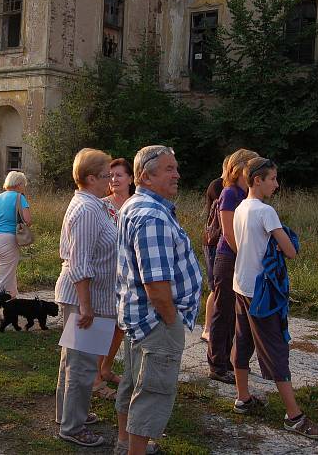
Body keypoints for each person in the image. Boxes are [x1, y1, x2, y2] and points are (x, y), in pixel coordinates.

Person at [230, 157, 318, 440]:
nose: (276, 184)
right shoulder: (265, 211)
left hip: (241, 285)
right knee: (275, 349)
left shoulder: (240, 207)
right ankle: (294, 417)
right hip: (262, 292)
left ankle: (243, 398)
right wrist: (283, 238)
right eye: (272, 179)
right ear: (257, 180)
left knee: (243, 341)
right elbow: (291, 252)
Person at [114, 145, 203, 455]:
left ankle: (125, 444)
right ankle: (134, 450)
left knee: (133, 382)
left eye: (176, 167)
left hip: (138, 316)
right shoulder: (151, 216)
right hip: (156, 320)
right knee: (152, 390)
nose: (177, 174)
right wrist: (171, 319)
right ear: (144, 176)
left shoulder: (136, 204)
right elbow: (156, 284)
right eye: (169, 169)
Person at [55, 148, 117, 448]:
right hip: (85, 298)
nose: (112, 180)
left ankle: (67, 414)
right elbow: (80, 263)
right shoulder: (87, 210)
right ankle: (72, 427)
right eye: (107, 175)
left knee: (73, 361)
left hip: (86, 297)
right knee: (81, 366)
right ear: (91, 178)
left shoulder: (92, 205)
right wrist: (86, 307)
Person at [207, 148, 258, 384]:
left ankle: (227, 360)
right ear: (240, 168)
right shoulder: (230, 193)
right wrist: (245, 255)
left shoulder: (245, 193)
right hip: (228, 258)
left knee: (233, 314)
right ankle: (217, 365)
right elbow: (228, 233)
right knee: (222, 311)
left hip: (238, 258)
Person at [94, 158, 134, 392]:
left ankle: (106, 368)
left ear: (130, 178)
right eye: (111, 175)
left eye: (119, 175)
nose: (114, 179)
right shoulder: (102, 206)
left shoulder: (136, 204)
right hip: (106, 272)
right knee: (104, 323)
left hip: (127, 274)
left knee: (120, 324)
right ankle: (95, 378)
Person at [0, 171, 31, 321]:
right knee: (3, 277)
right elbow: (28, 220)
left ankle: (12, 304)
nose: (24, 187)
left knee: (4, 273)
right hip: (8, 240)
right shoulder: (20, 198)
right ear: (19, 184)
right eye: (24, 184)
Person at [199, 176, 223, 342]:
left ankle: (213, 327)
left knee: (219, 288)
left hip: (215, 242)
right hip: (213, 242)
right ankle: (207, 328)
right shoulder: (219, 185)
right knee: (215, 288)